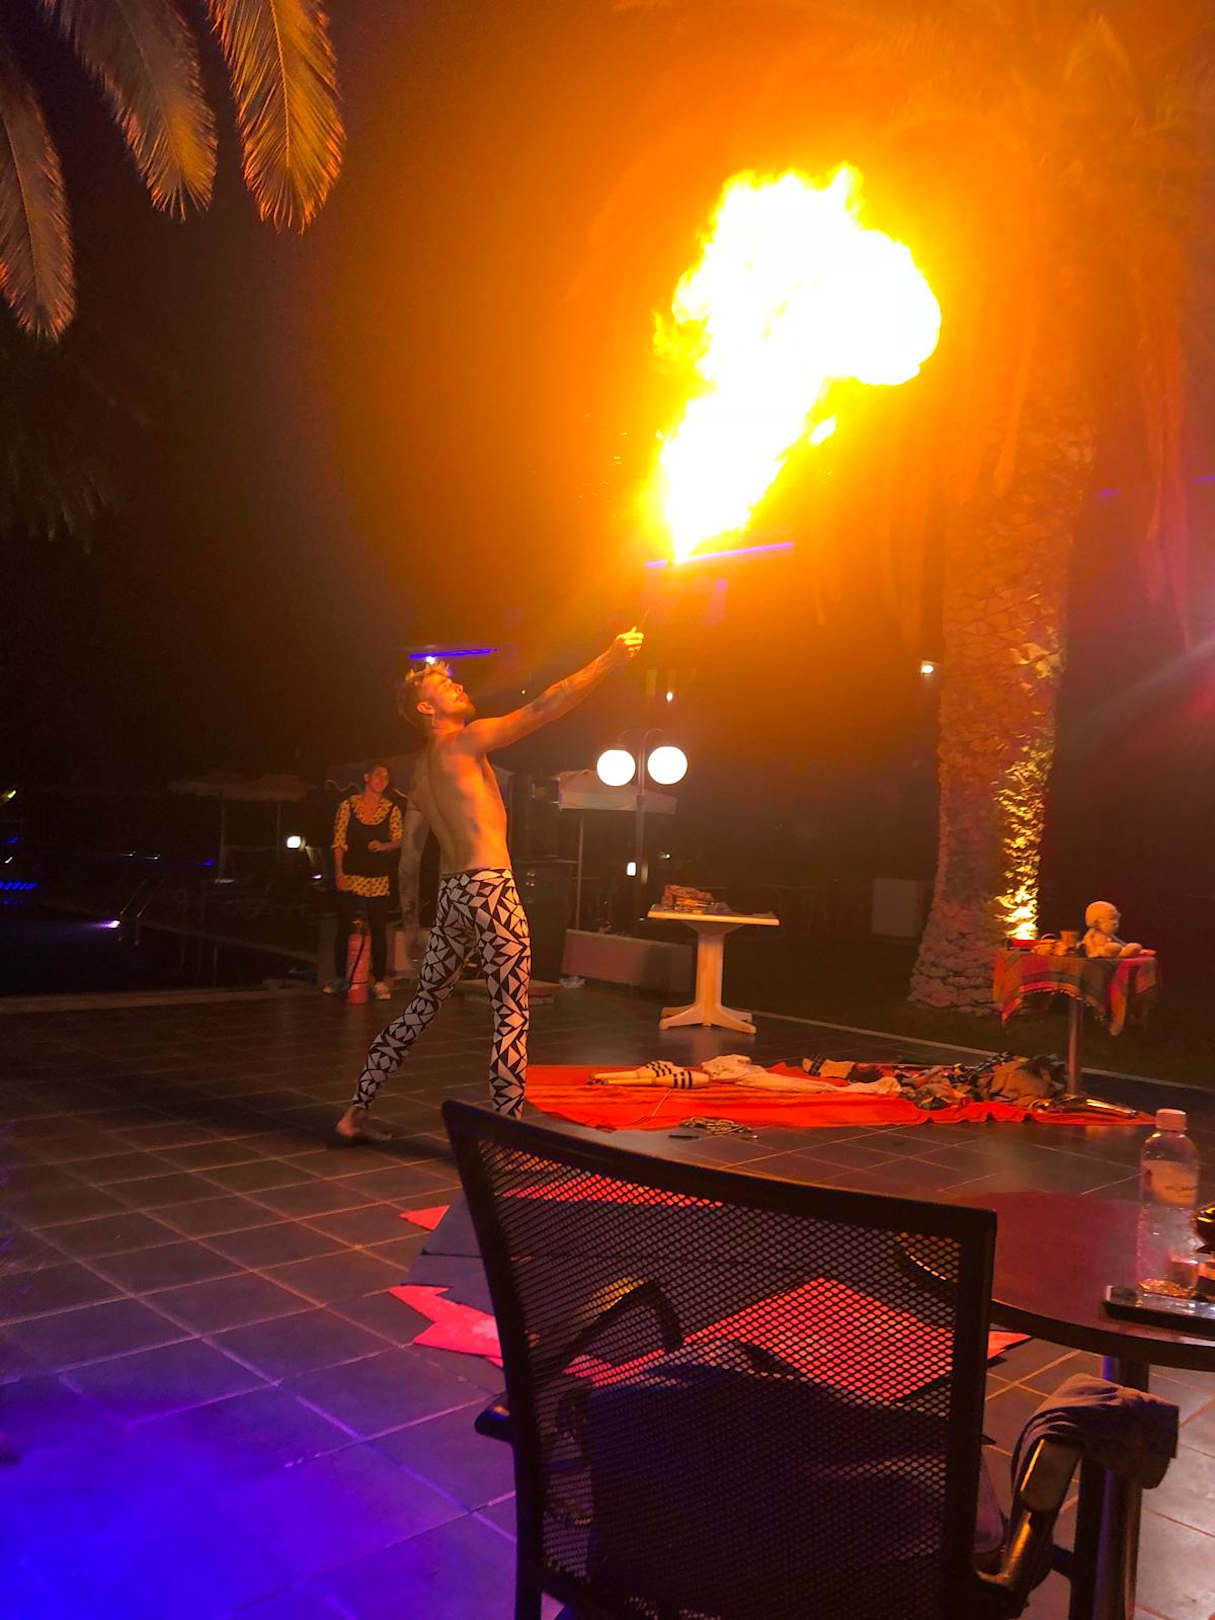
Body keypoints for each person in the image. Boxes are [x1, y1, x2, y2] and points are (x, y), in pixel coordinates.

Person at [335, 627, 644, 1142]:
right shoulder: (467, 740)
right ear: (426, 709)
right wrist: (609, 661)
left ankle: (355, 1112)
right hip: (491, 887)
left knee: (421, 1006)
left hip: (453, 894)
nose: (457, 686)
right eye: (443, 684)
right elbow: (545, 706)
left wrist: (411, 926)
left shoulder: (420, 777)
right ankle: (507, 1136)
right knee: (512, 1012)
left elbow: (410, 860)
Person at [326, 762, 403, 1000]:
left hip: (378, 877)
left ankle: (378, 981)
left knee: (378, 928)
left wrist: (384, 846)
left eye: (385, 777)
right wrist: (339, 873)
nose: (381, 779)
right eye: (377, 775)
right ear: (366, 777)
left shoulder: (391, 809)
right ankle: (341, 978)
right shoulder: (348, 806)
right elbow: (338, 842)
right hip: (351, 875)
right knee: (345, 926)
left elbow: (399, 839)